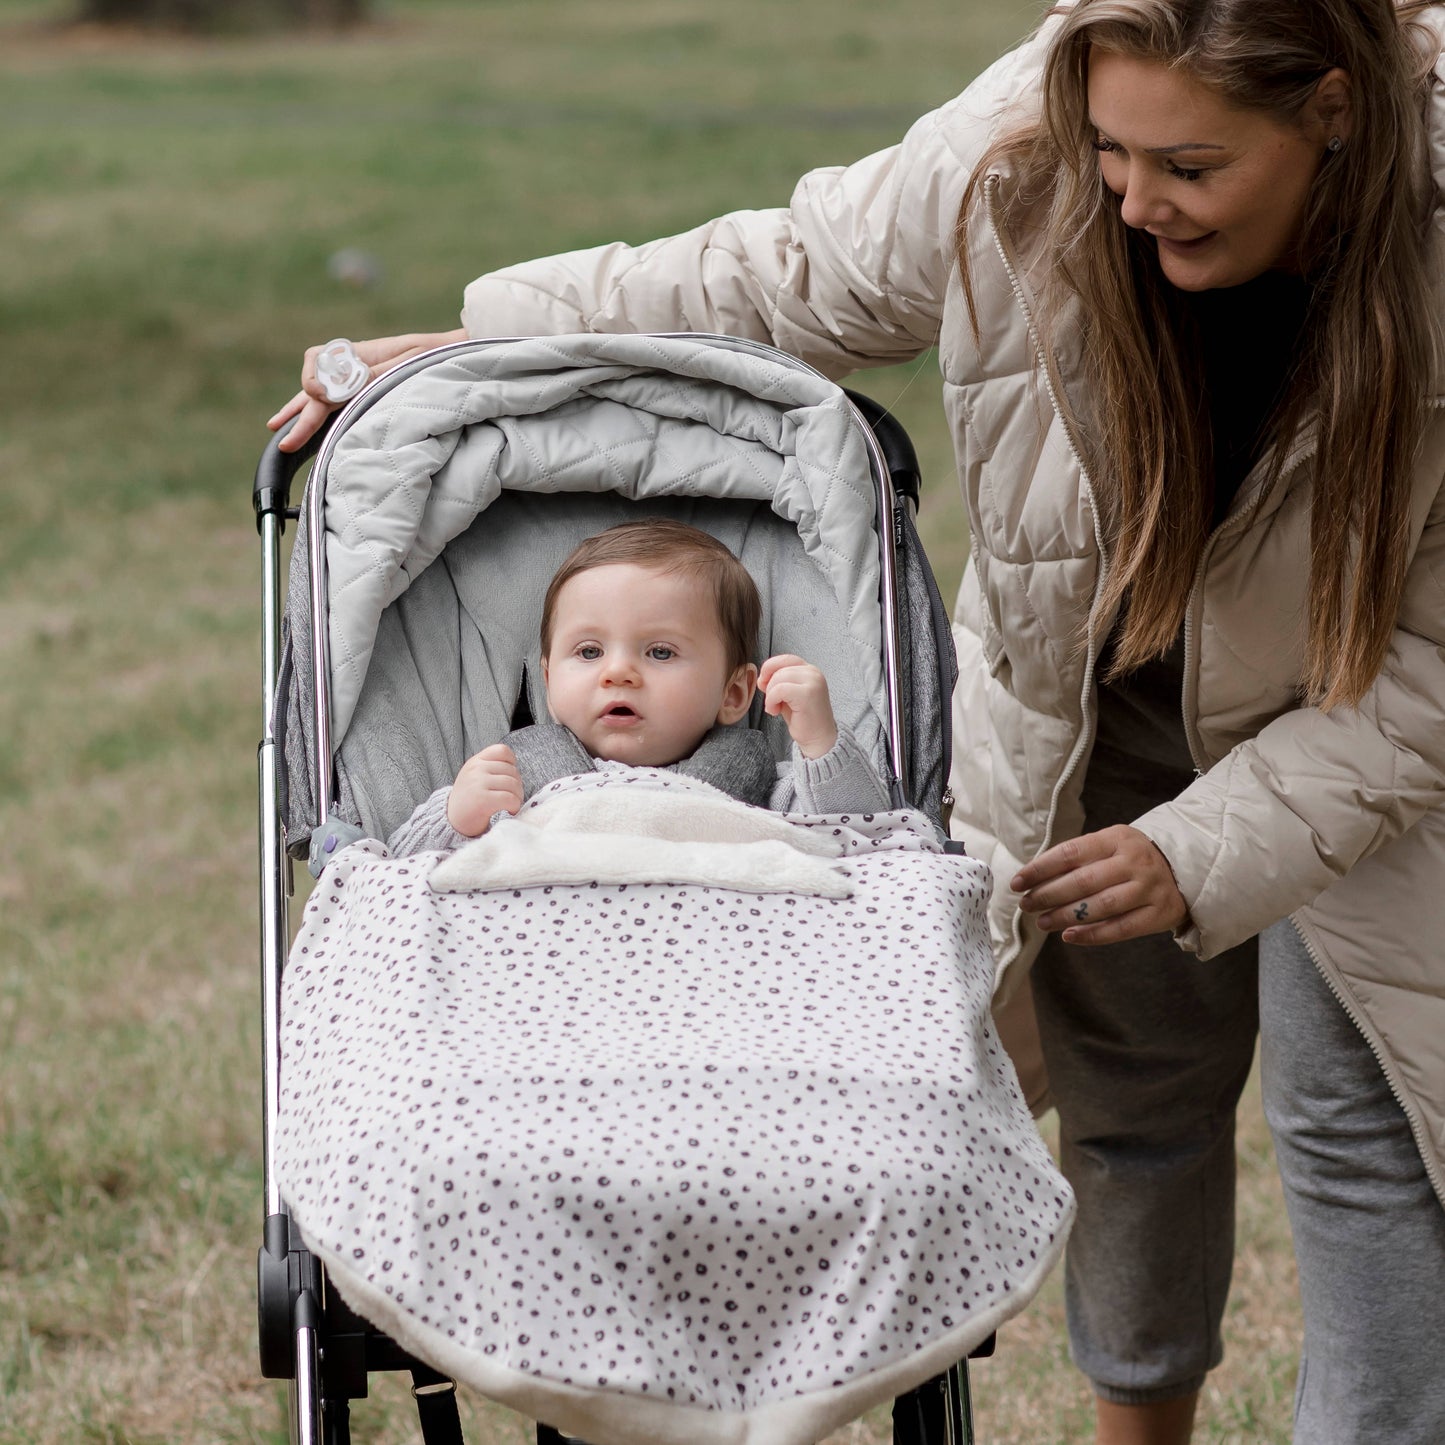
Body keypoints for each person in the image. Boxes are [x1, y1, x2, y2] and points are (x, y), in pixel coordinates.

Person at [269, 3, 1445, 1440]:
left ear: (1332, 111)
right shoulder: (1026, 144)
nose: (1133, 200)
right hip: (1101, 685)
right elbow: (796, 273)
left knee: (1364, 1130)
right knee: (1129, 1092)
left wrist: (1208, 848)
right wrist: (485, 341)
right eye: (1108, 153)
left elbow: (1426, 678)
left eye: (1187, 166)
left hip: (1372, 722)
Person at [386, 519, 892, 856]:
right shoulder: (510, 785)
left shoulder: (764, 789)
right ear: (547, 682)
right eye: (588, 653)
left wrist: (822, 745)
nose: (618, 672)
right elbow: (401, 880)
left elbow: (862, 843)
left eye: (660, 653)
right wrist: (455, 819)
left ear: (734, 695)